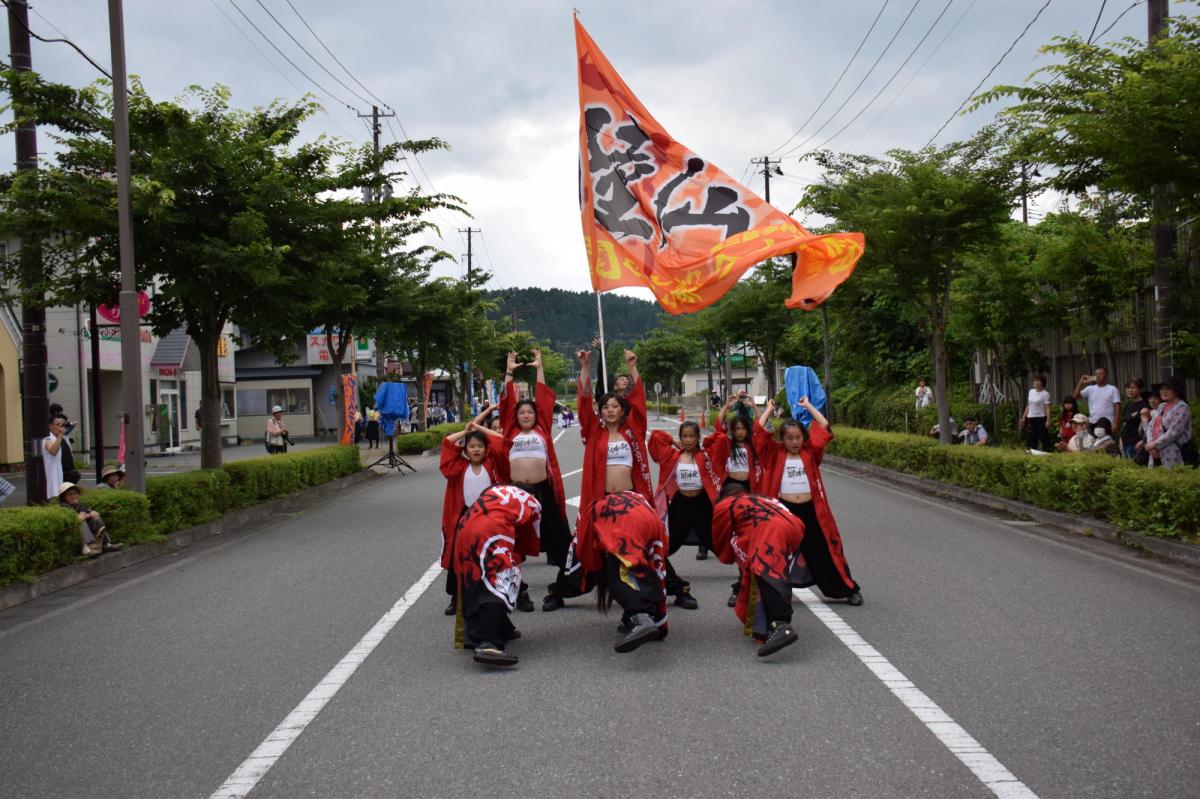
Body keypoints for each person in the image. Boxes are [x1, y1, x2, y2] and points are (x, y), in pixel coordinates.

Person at [543, 348, 654, 612]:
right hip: (600, 502)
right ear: (600, 411)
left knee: (641, 548)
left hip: (630, 502)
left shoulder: (633, 430)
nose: (611, 410)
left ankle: (670, 588)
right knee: (584, 548)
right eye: (606, 407)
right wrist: (584, 366)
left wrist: (632, 367)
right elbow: (583, 400)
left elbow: (639, 399)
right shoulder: (594, 431)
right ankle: (560, 591)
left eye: (616, 406)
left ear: (623, 409)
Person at [755, 396, 862, 605]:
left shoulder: (811, 452)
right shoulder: (774, 453)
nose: (795, 442)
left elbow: (824, 426)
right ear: (782, 439)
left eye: (798, 437)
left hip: (811, 510)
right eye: (789, 438)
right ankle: (764, 594)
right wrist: (768, 409)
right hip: (783, 511)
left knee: (824, 550)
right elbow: (759, 433)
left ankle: (848, 589)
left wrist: (808, 406)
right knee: (773, 551)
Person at [439, 406, 527, 617]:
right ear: (465, 450)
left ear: (486, 449)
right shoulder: (458, 467)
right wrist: (466, 432)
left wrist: (479, 428)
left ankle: (518, 592)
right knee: (458, 557)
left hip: (492, 517)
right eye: (471, 446)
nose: (476, 450)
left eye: (480, 446)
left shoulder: (494, 464)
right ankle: (456, 597)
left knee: (502, 555)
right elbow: (448, 444)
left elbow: (502, 442)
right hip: (465, 517)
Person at [449, 484, 541, 667]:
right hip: (491, 530)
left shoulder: (494, 490)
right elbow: (528, 537)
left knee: (474, 579)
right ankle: (490, 643)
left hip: (464, 529)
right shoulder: (532, 501)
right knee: (502, 580)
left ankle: (480, 632)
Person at [710, 483, 806, 657]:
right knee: (776, 571)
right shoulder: (764, 498)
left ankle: (781, 625)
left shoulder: (726, 505)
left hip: (770, 529)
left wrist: (728, 555)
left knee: (768, 573)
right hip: (795, 526)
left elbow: (720, 537)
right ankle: (769, 623)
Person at [499, 350, 571, 573]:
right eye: (522, 412)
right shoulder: (510, 430)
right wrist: (509, 372)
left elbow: (543, 400)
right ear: (516, 416)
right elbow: (506, 402)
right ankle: (512, 579)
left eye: (530, 412)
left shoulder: (543, 430)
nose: (527, 415)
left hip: (542, 489)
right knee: (511, 535)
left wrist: (539, 368)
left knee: (557, 534)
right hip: (516, 491)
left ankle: (566, 577)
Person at [572, 491, 669, 653]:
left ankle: (641, 619)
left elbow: (584, 547)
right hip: (649, 519)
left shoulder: (594, 507)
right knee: (645, 569)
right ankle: (650, 618)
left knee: (617, 579)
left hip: (623, 525)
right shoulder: (634, 495)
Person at [648, 421, 718, 605]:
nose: (688, 440)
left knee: (720, 543)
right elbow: (655, 436)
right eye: (684, 436)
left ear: (698, 438)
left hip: (702, 505)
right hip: (680, 503)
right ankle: (659, 575)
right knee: (666, 545)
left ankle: (746, 580)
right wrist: (673, 441)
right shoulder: (673, 456)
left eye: (692, 436)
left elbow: (721, 440)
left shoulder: (706, 456)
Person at [704, 396, 764, 607]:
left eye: (742, 429)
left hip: (752, 491)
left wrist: (755, 408)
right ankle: (741, 583)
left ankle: (744, 582)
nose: (739, 432)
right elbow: (718, 429)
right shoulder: (725, 444)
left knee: (752, 539)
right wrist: (726, 407)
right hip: (731, 490)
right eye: (736, 429)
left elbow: (762, 430)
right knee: (741, 536)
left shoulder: (753, 445)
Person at [57, 482, 123, 557]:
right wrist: (87, 514)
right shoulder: (63, 507)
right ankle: (85, 549)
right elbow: (80, 518)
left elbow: (95, 513)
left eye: (75, 494)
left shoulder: (78, 505)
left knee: (96, 518)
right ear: (64, 497)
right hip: (71, 534)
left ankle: (106, 544)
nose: (74, 496)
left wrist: (88, 514)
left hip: (84, 531)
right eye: (70, 495)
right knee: (81, 522)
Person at [1144, 376, 1193, 468]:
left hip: (1173, 453)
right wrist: (1151, 445)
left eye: (1168, 389)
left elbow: (1174, 432)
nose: (1163, 392)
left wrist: (1155, 445)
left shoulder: (1182, 407)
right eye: (1161, 389)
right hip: (1154, 453)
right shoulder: (1161, 406)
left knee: (1171, 479)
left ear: (1176, 391)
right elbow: (1151, 427)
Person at [1117, 378, 1150, 459]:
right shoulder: (1128, 405)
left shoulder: (1144, 406)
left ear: (1140, 389)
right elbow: (1125, 424)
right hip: (1125, 443)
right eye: (1128, 388)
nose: (1130, 390)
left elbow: (1149, 426)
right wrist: (1121, 438)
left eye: (1133, 388)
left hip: (1136, 444)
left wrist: (1143, 441)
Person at [1020, 375, 1053, 452]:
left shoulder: (1045, 394)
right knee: (1031, 436)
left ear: (1042, 383)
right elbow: (1029, 405)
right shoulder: (1031, 391)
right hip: (1031, 417)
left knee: (1043, 436)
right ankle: (1031, 450)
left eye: (1038, 381)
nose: (1036, 382)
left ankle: (1048, 450)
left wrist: (1048, 420)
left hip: (1041, 418)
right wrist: (1024, 417)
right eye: (1035, 380)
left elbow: (1048, 408)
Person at [42, 413, 70, 500]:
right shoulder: (47, 439)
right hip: (52, 476)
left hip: (61, 473)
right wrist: (60, 435)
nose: (61, 427)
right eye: (58, 424)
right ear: (50, 426)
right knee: (55, 498)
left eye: (63, 425)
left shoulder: (62, 438)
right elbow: (53, 451)